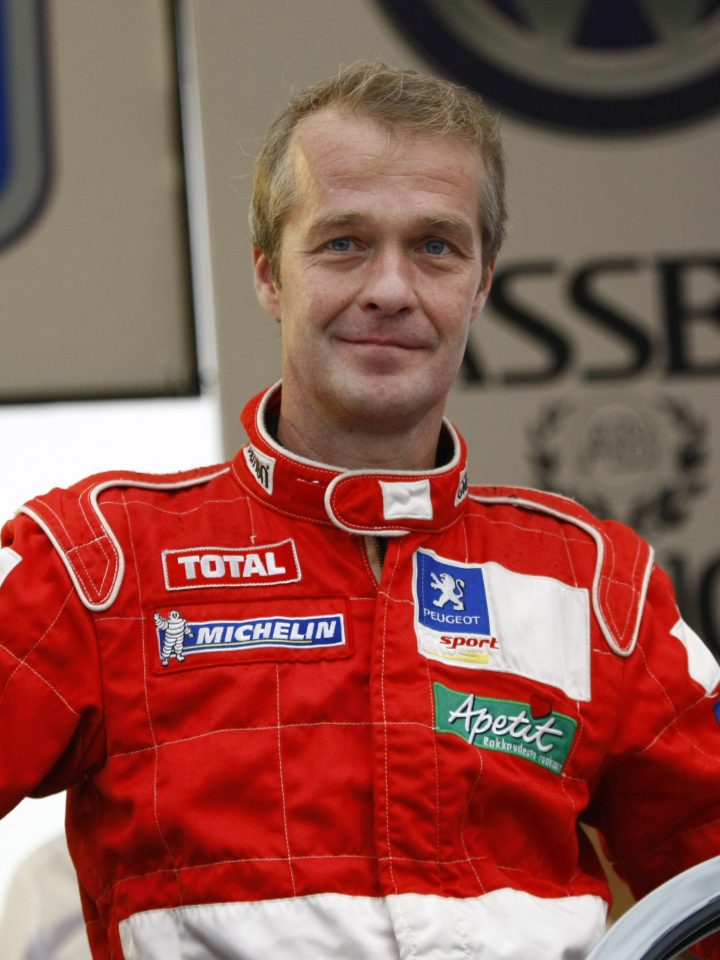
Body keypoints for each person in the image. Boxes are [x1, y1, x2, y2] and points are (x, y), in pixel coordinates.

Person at [0, 60, 718, 960]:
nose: (390, 288)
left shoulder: (597, 586)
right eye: (343, 243)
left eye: (435, 247)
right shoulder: (100, 561)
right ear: (269, 275)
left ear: (481, 284)